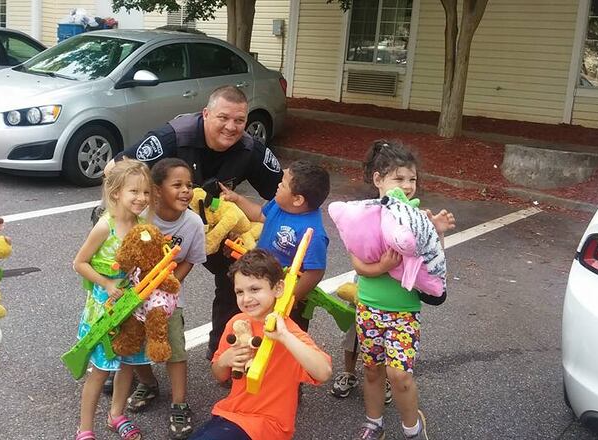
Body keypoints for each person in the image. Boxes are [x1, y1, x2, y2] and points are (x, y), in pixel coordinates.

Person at [105, 85, 283, 359]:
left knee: (241, 275)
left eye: (239, 120)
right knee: (126, 281)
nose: (231, 127)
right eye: (223, 117)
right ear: (206, 114)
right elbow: (114, 168)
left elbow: (283, 195)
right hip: (158, 223)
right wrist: (130, 215)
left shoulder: (250, 149)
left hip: (212, 226)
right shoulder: (172, 137)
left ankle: (224, 352)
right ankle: (119, 357)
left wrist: (253, 227)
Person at [352, 140, 456, 440]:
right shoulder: (365, 215)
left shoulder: (417, 217)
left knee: (400, 375)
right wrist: (383, 266)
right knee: (372, 370)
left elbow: (434, 264)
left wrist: (436, 232)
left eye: (412, 179)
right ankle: (374, 423)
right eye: (399, 178)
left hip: (404, 311)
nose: (408, 186)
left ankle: (413, 429)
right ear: (378, 179)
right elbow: (358, 264)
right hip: (368, 307)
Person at [189, 249, 333, 440]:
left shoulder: (289, 332)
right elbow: (220, 375)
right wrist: (224, 360)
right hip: (231, 413)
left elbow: (324, 372)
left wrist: (285, 337)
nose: (246, 298)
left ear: (278, 288)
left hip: (269, 424)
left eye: (255, 289)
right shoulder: (236, 323)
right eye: (240, 292)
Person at [72, 159, 153, 440]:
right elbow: (79, 263)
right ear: (116, 192)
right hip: (104, 311)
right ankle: (85, 428)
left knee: (128, 363)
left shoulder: (143, 226)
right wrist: (106, 283)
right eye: (134, 191)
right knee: (99, 371)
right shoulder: (104, 226)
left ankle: (116, 414)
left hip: (132, 308)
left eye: (146, 192)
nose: (142, 198)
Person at [127, 158, 206, 439]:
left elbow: (191, 259)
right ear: (158, 190)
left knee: (175, 348)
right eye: (177, 185)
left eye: (189, 185)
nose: (186, 191)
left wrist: (168, 286)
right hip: (133, 292)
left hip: (168, 297)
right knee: (133, 343)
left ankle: (179, 403)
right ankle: (148, 383)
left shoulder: (193, 223)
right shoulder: (141, 215)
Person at [219, 159, 329, 331]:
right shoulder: (279, 204)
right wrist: (237, 199)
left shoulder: (313, 232)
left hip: (283, 296)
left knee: (282, 335)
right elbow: (260, 215)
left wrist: (290, 297)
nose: (278, 185)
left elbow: (315, 271)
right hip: (260, 283)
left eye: (283, 184)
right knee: (255, 329)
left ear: (297, 199)